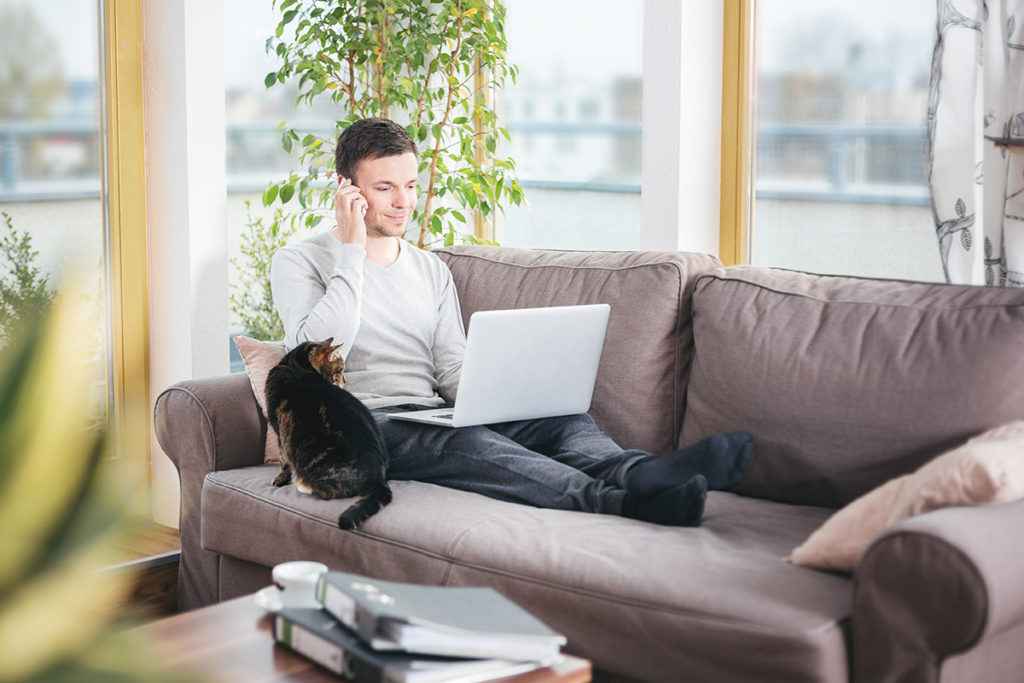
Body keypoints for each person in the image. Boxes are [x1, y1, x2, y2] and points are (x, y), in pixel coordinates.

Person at [270, 117, 752, 526]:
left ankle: (639, 473)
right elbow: (313, 356)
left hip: (428, 408)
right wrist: (352, 250)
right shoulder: (301, 261)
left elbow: (449, 366)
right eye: (385, 188)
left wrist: (498, 398)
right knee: (470, 442)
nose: (403, 202)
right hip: (366, 424)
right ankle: (619, 503)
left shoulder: (429, 268)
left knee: (561, 420)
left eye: (411, 185)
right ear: (347, 191)